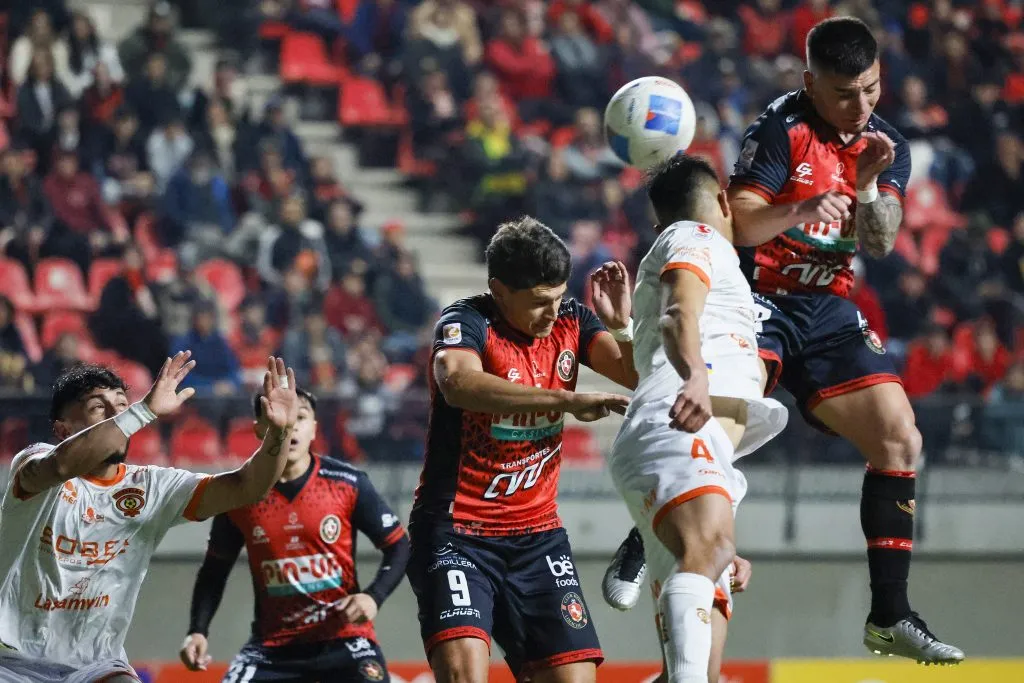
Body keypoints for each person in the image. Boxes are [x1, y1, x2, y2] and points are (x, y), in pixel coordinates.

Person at [603, 17, 965, 664]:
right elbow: (739, 224)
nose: (861, 105)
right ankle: (647, 535)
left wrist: (865, 186)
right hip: (758, 301)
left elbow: (880, 240)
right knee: (717, 428)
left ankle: (889, 615)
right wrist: (802, 208)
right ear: (810, 83)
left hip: (827, 309)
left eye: (871, 89)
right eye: (844, 93)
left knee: (900, 437)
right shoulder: (779, 128)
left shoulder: (887, 143)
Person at [406, 217, 637, 683]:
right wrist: (565, 401)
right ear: (499, 290)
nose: (552, 313)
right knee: (464, 675)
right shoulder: (466, 321)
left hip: (538, 536)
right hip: (457, 532)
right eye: (538, 302)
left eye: (558, 297)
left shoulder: (572, 319)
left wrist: (623, 328)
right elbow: (459, 383)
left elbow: (636, 376)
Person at [0, 355, 299, 682]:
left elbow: (247, 487)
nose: (118, 414)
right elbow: (61, 466)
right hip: (10, 660)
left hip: (94, 665)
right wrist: (142, 411)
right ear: (63, 429)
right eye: (99, 407)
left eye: (122, 404)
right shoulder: (35, 464)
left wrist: (280, 434)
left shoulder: (152, 487)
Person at [609, 156, 788, 683]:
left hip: (692, 446)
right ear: (725, 202)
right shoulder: (695, 236)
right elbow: (678, 313)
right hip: (682, 431)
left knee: (700, 669)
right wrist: (696, 377)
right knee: (712, 549)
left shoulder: (677, 249)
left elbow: (650, 363)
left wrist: (622, 331)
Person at [180, 387, 410, 683]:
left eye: (300, 418)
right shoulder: (238, 494)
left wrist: (373, 596)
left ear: (314, 428)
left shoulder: (348, 483)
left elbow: (399, 546)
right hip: (271, 648)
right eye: (280, 419)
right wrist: (197, 631)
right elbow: (215, 569)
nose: (290, 428)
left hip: (344, 639)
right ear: (259, 429)